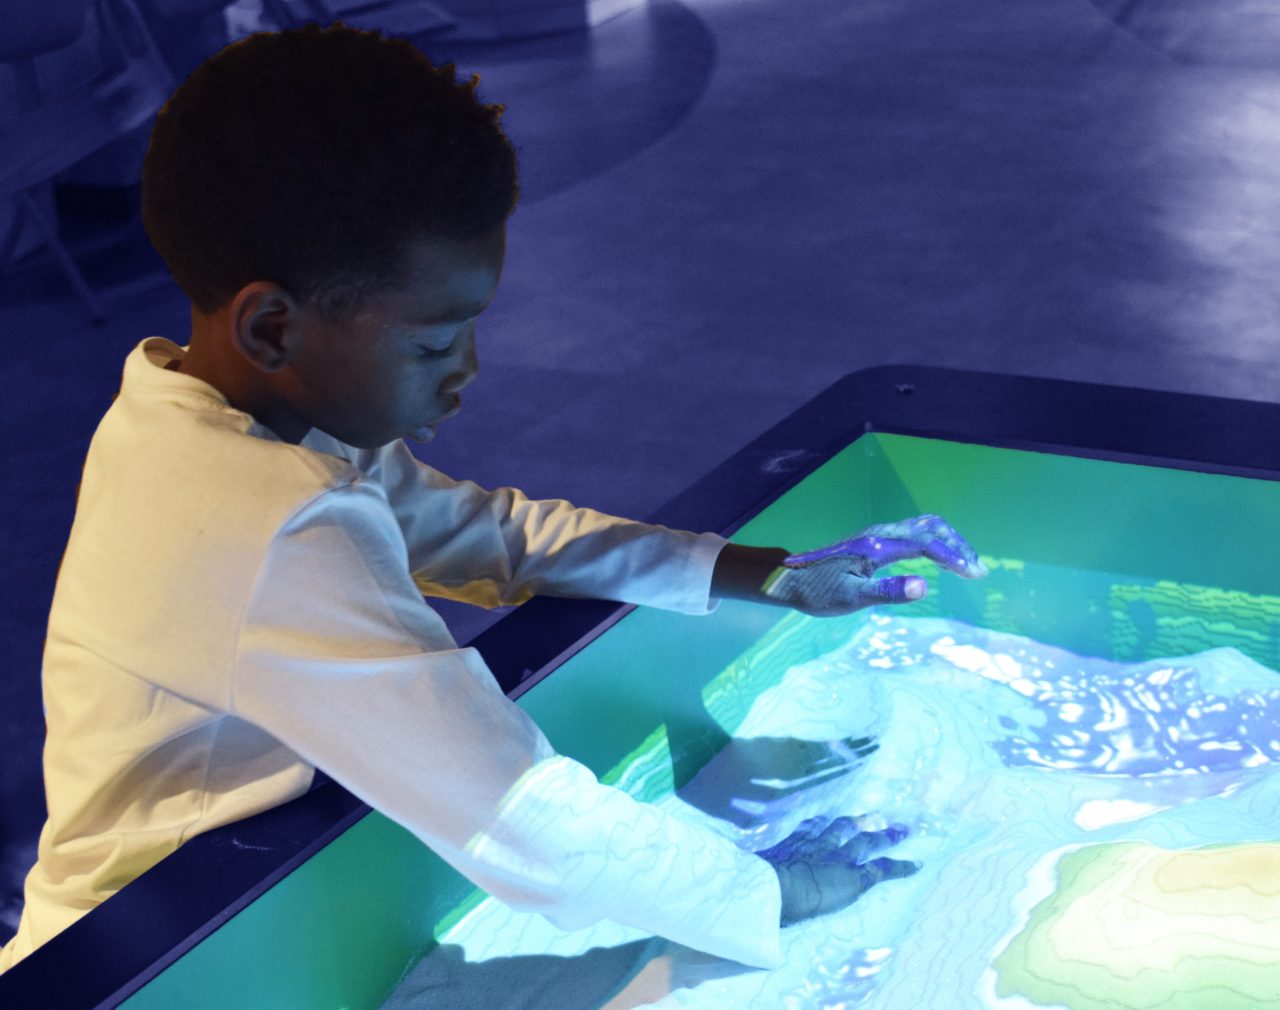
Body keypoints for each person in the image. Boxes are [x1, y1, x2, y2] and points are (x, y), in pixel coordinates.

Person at [0, 22, 988, 975]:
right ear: (270, 327)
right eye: (433, 342)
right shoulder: (271, 519)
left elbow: (492, 535)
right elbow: (518, 808)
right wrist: (770, 891)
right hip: (151, 956)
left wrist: (765, 575)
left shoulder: (199, 416)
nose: (467, 369)